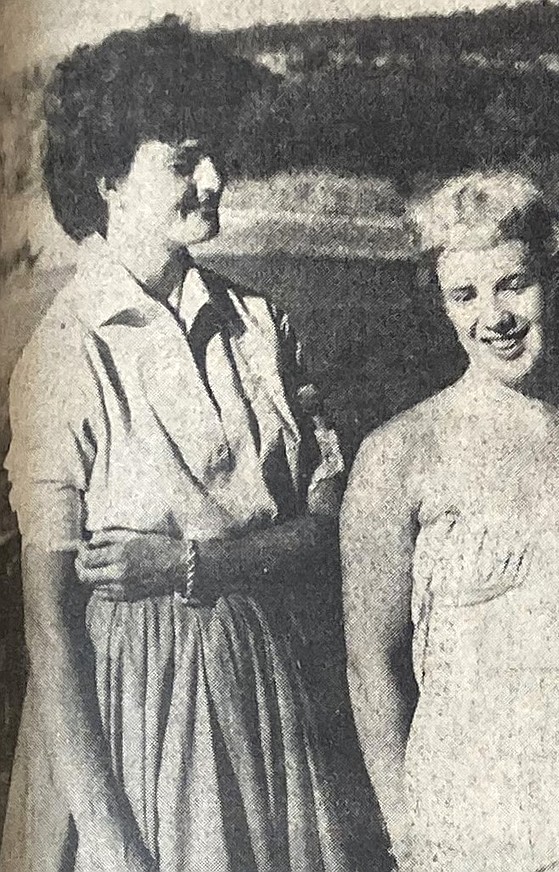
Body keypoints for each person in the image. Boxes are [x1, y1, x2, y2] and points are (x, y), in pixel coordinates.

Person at [2, 19, 349, 872]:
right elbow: (48, 629)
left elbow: (328, 527)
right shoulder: (66, 353)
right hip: (137, 724)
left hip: (269, 701)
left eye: (215, 155)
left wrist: (197, 567)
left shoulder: (261, 325)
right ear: (107, 180)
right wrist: (113, 840)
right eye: (185, 160)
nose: (215, 178)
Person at [341, 171, 559, 872]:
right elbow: (371, 663)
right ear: (442, 303)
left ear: (557, 277)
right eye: (464, 294)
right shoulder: (398, 455)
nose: (492, 316)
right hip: (460, 803)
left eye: (513, 283)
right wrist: (404, 826)